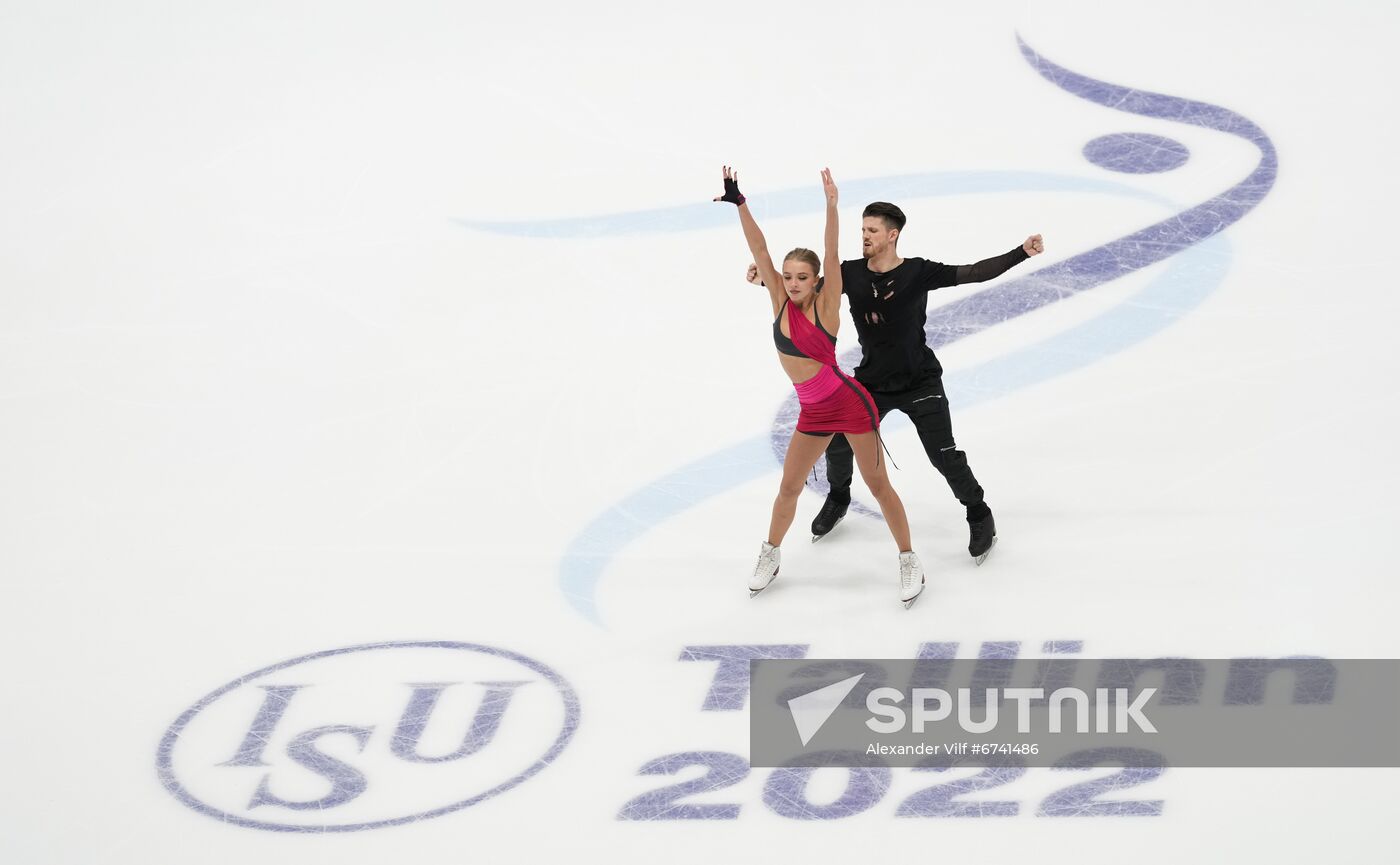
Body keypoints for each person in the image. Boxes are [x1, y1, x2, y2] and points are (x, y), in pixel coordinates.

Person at [749, 201, 1044, 563]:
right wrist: (766, 280)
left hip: (920, 381)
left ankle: (978, 512)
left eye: (872, 231)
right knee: (838, 444)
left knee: (943, 455)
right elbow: (808, 288)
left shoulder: (919, 272)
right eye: (862, 230)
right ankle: (839, 497)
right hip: (872, 382)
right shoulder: (852, 273)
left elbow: (975, 272)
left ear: (893, 235)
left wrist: (1021, 253)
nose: (865, 237)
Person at [715, 166, 926, 608]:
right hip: (812, 412)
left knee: (878, 485)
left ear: (816, 281)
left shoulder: (827, 306)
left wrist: (832, 206)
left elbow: (831, 252)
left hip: (850, 406)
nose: (792, 283)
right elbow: (759, 247)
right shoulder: (777, 298)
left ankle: (908, 559)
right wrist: (741, 203)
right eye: (787, 276)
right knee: (789, 487)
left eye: (801, 278)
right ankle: (770, 555)